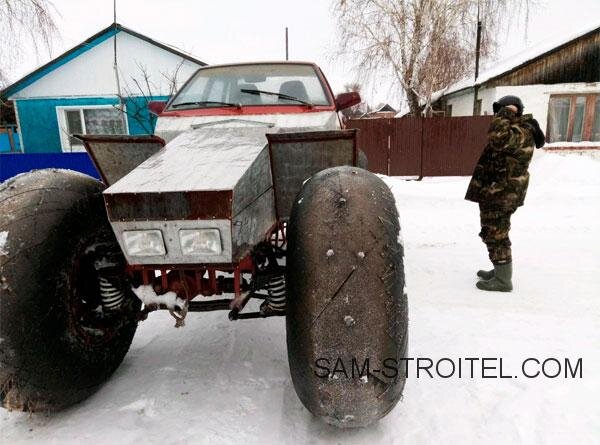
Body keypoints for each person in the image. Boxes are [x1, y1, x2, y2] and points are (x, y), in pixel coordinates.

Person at [465, 95, 545, 292]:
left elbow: (498, 137)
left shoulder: (523, 131)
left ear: (513, 111)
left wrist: (507, 110)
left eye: (503, 111)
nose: (499, 115)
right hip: (495, 191)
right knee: (492, 231)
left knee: (496, 233)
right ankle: (499, 269)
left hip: (501, 193)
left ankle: (503, 280)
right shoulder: (516, 130)